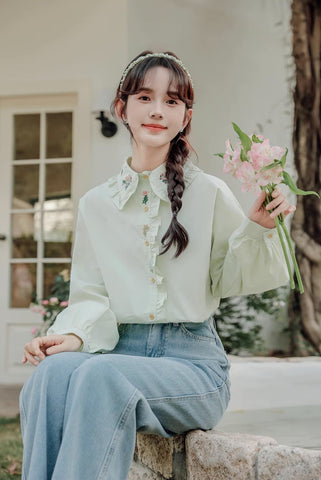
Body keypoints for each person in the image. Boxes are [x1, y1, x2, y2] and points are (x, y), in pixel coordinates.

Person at [19, 50, 294, 480]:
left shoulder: (210, 193)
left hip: (193, 368)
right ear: (121, 108)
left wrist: (258, 227)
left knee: (98, 379)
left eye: (172, 101)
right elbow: (92, 295)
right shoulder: (96, 204)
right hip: (117, 352)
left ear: (185, 117)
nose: (157, 111)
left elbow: (234, 277)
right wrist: (70, 336)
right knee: (50, 376)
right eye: (145, 97)